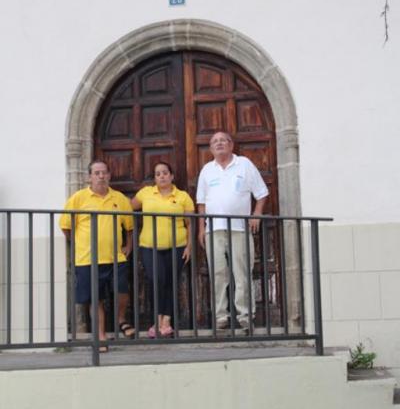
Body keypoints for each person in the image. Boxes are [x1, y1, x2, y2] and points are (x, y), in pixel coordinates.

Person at [196, 132, 268, 331]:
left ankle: (245, 316)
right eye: (215, 141)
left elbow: (262, 193)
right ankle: (221, 316)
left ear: (231, 145)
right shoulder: (207, 170)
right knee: (218, 273)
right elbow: (201, 203)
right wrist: (201, 228)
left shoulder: (244, 164)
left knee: (242, 273)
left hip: (240, 229)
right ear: (211, 148)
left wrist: (257, 214)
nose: (219, 143)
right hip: (214, 229)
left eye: (223, 140)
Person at [59, 160, 134, 351]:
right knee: (95, 298)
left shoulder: (119, 198)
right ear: (89, 177)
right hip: (87, 258)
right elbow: (66, 226)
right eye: (97, 173)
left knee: (122, 290)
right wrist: (79, 243)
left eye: (104, 173)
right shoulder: (78, 198)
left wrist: (129, 245)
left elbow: (129, 226)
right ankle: (100, 337)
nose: (101, 176)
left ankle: (120, 319)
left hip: (116, 257)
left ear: (109, 175)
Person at [131, 162, 194, 338]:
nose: (162, 176)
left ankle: (166, 321)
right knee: (156, 280)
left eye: (165, 173)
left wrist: (189, 246)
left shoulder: (183, 196)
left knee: (171, 282)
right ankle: (156, 320)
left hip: (177, 246)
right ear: (155, 178)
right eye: (158, 174)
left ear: (172, 176)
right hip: (149, 246)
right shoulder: (145, 193)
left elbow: (190, 224)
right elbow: (126, 207)